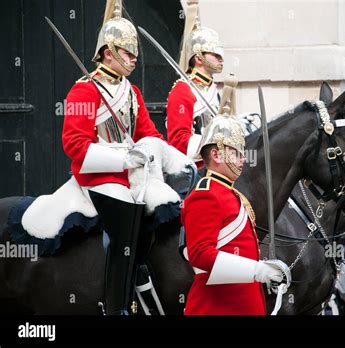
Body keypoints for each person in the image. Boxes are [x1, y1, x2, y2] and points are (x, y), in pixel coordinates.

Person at [61, 0, 194, 315]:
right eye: (127, 53)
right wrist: (123, 159)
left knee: (169, 207)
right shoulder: (83, 92)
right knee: (126, 215)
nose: (134, 59)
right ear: (108, 53)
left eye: (135, 53)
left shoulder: (132, 93)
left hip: (134, 173)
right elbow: (75, 146)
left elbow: (150, 135)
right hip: (97, 176)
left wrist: (166, 157)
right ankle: (117, 304)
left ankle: (148, 273)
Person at [180, 85, 288, 315]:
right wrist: (258, 270)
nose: (242, 160)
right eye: (237, 153)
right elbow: (200, 255)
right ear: (217, 154)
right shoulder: (205, 194)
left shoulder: (232, 194)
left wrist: (265, 268)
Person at [166, 0, 223, 161]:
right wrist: (218, 142)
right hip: (196, 168)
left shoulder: (213, 89)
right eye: (215, 54)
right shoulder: (182, 90)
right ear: (198, 58)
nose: (221, 59)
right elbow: (179, 142)